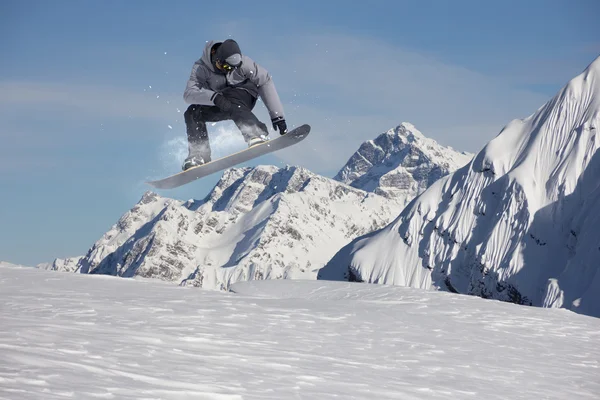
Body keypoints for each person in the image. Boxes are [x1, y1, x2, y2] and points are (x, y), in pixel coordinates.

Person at [181, 39, 288, 171]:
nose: (229, 71)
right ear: (216, 59)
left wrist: (277, 115)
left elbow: (264, 80)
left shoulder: (245, 63)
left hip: (244, 96)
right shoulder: (200, 68)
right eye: (226, 67)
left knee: (231, 97)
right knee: (192, 112)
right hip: (220, 101)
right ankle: (199, 154)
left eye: (233, 68)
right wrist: (213, 97)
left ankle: (256, 132)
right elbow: (189, 94)